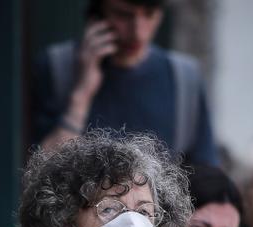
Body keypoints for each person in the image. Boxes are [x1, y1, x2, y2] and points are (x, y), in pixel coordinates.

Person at [31, 0, 218, 166]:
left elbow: (207, 179)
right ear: (97, 14)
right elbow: (41, 174)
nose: (138, 33)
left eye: (149, 15)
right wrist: (81, 95)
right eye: (123, 15)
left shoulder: (184, 78)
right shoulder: (57, 68)